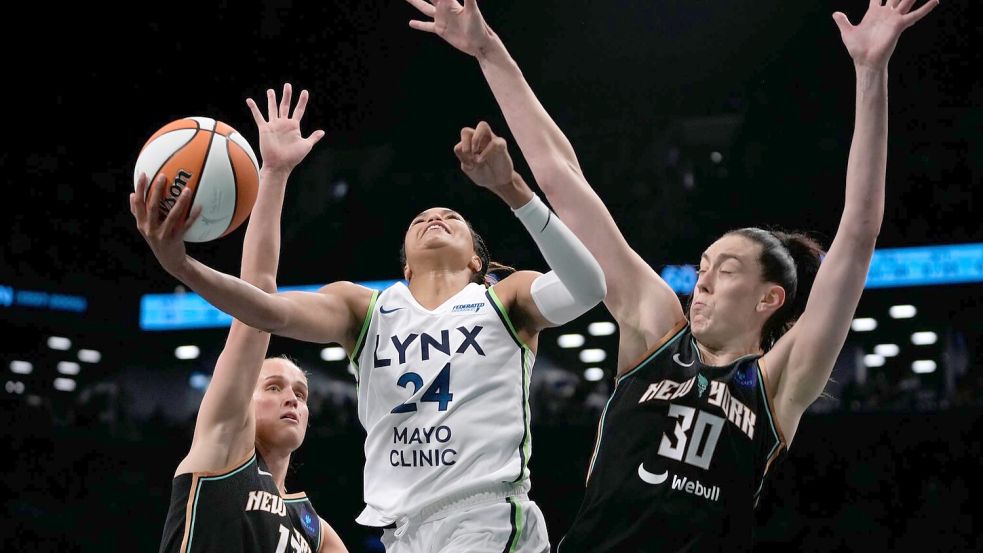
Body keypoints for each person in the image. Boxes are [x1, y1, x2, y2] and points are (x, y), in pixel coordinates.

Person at [405, 0, 940, 550]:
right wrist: (489, 50)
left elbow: (856, 237)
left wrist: (871, 73)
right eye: (703, 266)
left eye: (726, 271)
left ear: (769, 299)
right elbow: (564, 179)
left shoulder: (776, 384)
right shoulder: (655, 327)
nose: (702, 281)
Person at [132, 95, 608, 549]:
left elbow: (589, 288)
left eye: (452, 218)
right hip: (402, 531)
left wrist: (512, 190)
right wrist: (187, 262)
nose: (435, 218)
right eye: (422, 218)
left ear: (476, 263)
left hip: (483, 517)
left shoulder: (506, 299)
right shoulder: (365, 310)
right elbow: (264, 308)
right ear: (405, 266)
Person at [137, 84, 347, 553]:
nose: (291, 399)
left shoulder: (312, 527)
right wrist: (272, 174)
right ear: (240, 401)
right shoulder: (224, 451)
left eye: (300, 393)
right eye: (273, 387)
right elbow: (259, 295)